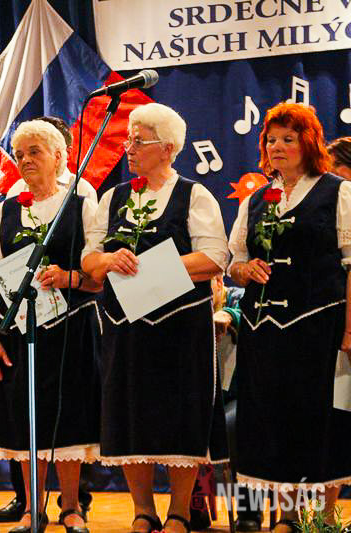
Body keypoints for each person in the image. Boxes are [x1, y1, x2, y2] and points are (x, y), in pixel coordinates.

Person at [81, 103, 229, 533]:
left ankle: (179, 510)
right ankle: (143, 510)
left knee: (182, 414)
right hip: (126, 329)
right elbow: (89, 259)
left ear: (167, 148)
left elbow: (214, 258)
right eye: (128, 139)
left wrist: (151, 267)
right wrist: (108, 259)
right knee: (130, 415)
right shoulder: (113, 198)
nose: (128, 148)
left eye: (138, 141)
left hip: (180, 329)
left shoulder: (194, 195)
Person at [228, 102, 351, 533]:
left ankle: (315, 517)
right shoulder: (256, 199)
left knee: (315, 421)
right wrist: (244, 270)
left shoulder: (338, 192)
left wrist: (350, 331)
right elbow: (234, 262)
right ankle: (286, 515)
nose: (276, 146)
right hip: (263, 330)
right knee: (271, 421)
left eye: (288, 139)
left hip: (319, 326)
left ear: (309, 143)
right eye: (271, 139)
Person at [0, 120, 101, 533]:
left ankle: (72, 507)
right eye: (19, 154)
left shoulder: (81, 203)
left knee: (70, 418)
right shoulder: (5, 210)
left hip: (71, 329)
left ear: (59, 157)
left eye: (35, 152)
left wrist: (69, 277)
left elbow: (99, 277)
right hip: (20, 330)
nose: (25, 160)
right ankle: (33, 508)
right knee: (26, 419)